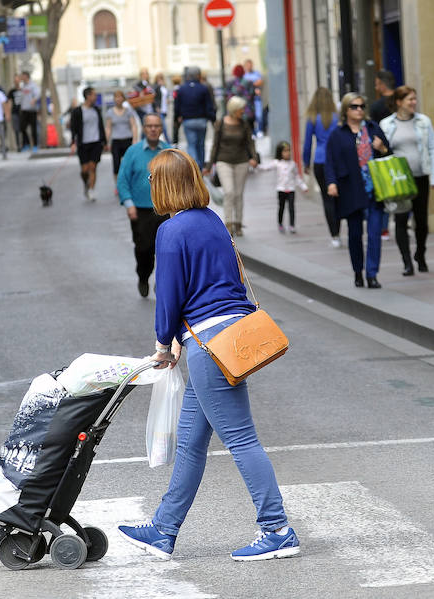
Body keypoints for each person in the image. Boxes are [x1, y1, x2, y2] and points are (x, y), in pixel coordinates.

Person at [117, 148, 300, 562]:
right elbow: (227, 281)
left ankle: (277, 529)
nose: (149, 185)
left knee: (240, 438)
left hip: (207, 345)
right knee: (191, 443)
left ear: (164, 185)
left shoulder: (171, 230)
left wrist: (165, 343)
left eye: (152, 179)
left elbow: (169, 295)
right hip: (229, 335)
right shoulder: (213, 220)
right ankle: (164, 529)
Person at [325, 92, 391, 289]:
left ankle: (372, 274)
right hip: (350, 189)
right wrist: (331, 183)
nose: (359, 110)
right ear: (346, 110)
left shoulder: (373, 128)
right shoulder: (338, 134)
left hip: (374, 189)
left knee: (374, 233)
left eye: (362, 106)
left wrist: (382, 149)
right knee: (354, 234)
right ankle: (357, 271)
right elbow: (330, 161)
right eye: (354, 106)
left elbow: (390, 154)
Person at [380, 85, 434, 275]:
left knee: (421, 221)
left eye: (415, 99)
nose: (414, 103)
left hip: (420, 176)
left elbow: (433, 147)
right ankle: (407, 261)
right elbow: (383, 152)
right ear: (399, 102)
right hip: (399, 179)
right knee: (400, 219)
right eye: (410, 99)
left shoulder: (423, 121)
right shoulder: (386, 124)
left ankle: (420, 254)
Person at [116, 114, 170, 298]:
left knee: (166, 250)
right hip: (141, 210)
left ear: (161, 128)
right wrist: (129, 204)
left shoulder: (169, 152)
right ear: (144, 129)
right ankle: (143, 276)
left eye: (157, 126)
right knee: (144, 249)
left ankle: (162, 281)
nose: (153, 129)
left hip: (165, 210)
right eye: (149, 126)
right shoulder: (133, 152)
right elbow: (122, 180)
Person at [205, 96, 258, 236]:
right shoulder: (220, 124)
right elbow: (215, 145)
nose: (243, 111)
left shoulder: (244, 123)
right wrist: (209, 165)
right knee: (229, 192)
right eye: (241, 109)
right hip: (224, 161)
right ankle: (228, 223)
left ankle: (238, 224)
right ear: (234, 110)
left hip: (242, 161)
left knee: (239, 194)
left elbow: (249, 142)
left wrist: (253, 157)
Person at [302, 87, 339, 246]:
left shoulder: (312, 118)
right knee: (338, 197)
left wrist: (305, 162)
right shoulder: (337, 118)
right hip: (337, 160)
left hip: (320, 160)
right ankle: (339, 226)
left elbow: (307, 144)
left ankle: (334, 234)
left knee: (326, 198)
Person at [262, 141, 308, 233]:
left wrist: (303, 186)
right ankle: (280, 223)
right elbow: (266, 167)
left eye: (289, 150)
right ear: (280, 152)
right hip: (281, 189)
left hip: (291, 189)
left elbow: (297, 177)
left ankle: (292, 225)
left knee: (291, 208)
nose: (288, 153)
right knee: (281, 207)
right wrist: (256, 166)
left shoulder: (293, 164)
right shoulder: (277, 163)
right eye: (285, 151)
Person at [69, 87, 106, 202]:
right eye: (94, 95)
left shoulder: (97, 110)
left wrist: (104, 141)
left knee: (93, 167)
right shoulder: (77, 111)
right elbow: (73, 128)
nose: (96, 97)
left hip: (96, 143)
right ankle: (86, 183)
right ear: (88, 96)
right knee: (84, 170)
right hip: (83, 144)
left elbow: (101, 126)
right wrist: (73, 143)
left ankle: (91, 190)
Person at [175, 66, 216, 169]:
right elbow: (209, 106)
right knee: (201, 145)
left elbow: (177, 106)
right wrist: (212, 119)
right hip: (202, 120)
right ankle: (200, 167)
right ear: (198, 75)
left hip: (188, 121)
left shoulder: (182, 89)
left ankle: (195, 167)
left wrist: (177, 118)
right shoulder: (203, 88)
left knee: (191, 145)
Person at [105, 90, 139, 188]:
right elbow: (108, 128)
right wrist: (106, 142)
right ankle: (118, 185)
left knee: (129, 164)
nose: (118, 99)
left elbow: (133, 125)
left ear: (123, 99)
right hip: (116, 141)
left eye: (120, 97)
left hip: (127, 139)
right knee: (116, 164)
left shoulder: (128, 111)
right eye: (116, 97)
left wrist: (135, 139)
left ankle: (129, 183)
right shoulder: (110, 112)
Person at [18, 71, 41, 152]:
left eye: (23, 76)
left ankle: (35, 145)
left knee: (33, 128)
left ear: (26, 76)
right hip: (24, 109)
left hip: (32, 110)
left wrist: (33, 100)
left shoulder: (33, 85)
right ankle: (26, 144)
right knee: (22, 127)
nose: (22, 78)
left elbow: (38, 94)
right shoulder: (22, 86)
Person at [7, 75, 24, 151]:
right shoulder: (12, 91)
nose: (17, 82)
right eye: (15, 81)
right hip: (15, 112)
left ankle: (25, 144)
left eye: (18, 80)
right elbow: (9, 103)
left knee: (23, 129)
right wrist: (9, 113)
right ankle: (18, 146)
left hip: (24, 112)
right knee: (16, 129)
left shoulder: (24, 90)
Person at [154, 73, 170, 141]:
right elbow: (155, 98)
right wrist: (157, 107)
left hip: (164, 109)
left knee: (162, 127)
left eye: (161, 79)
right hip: (159, 110)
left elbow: (166, 96)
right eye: (159, 80)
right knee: (163, 127)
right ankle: (169, 142)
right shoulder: (156, 88)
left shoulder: (164, 87)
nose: (160, 81)